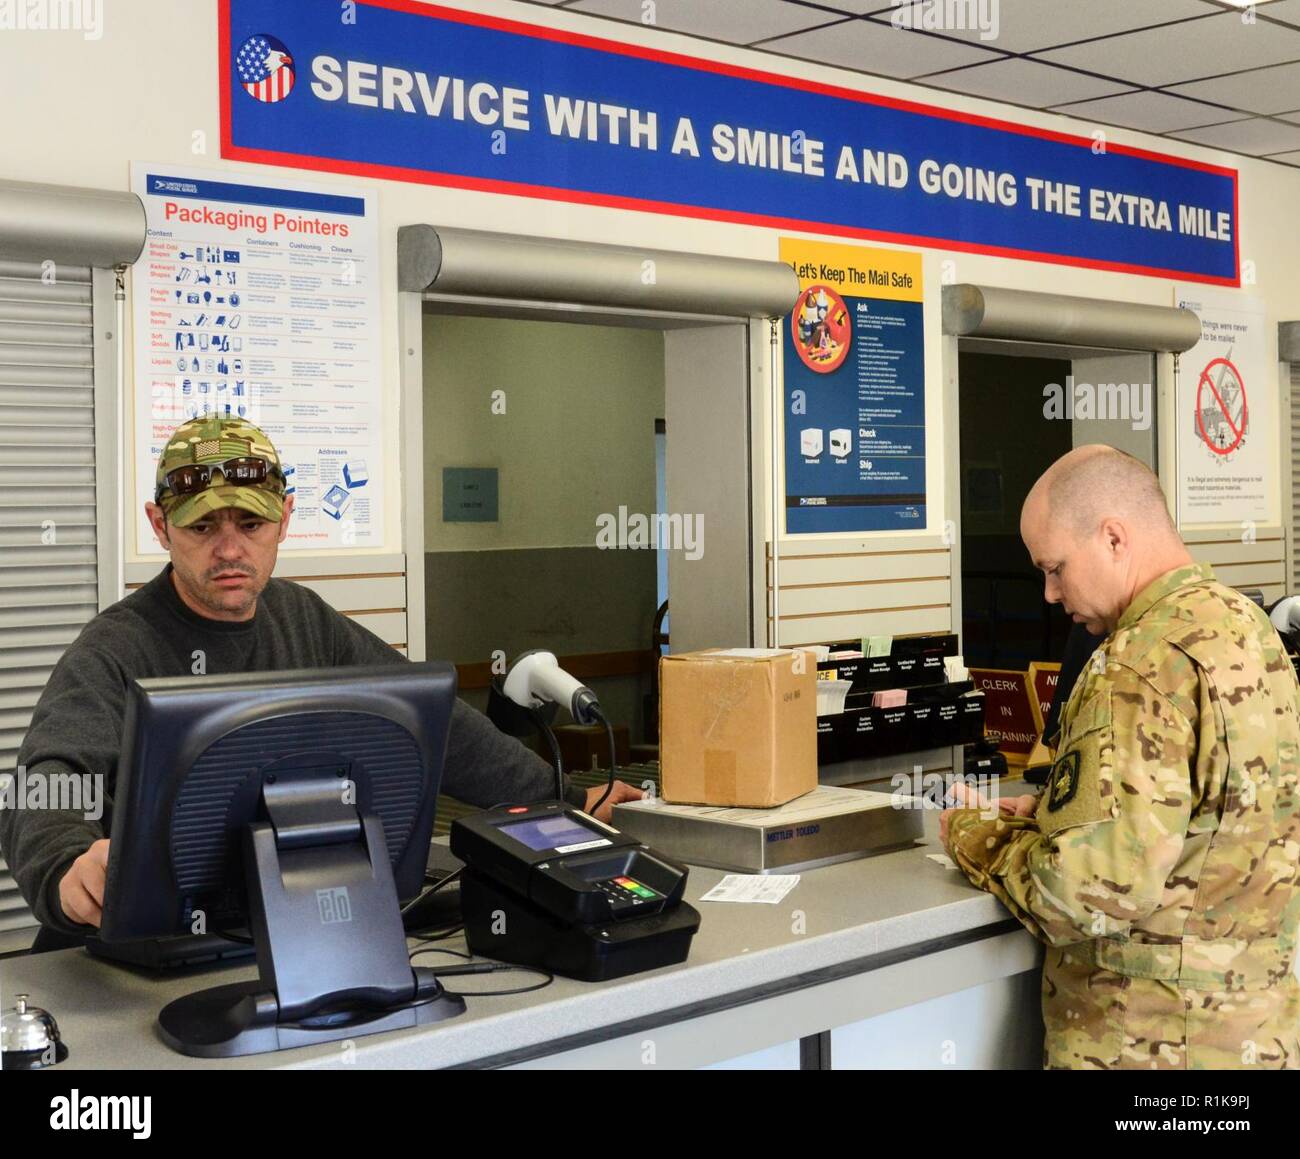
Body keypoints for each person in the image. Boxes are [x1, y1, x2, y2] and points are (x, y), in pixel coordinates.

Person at [0, 415, 641, 951]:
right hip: (127, 960)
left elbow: (431, 728)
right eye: (201, 527)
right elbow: (47, 780)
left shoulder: (306, 622)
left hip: (277, 938)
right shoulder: (115, 649)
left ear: (284, 519)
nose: (228, 550)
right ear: (159, 524)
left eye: (249, 525)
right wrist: (64, 867)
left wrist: (561, 800)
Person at [940, 445, 1300, 1069]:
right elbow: (1214, 818)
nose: (1050, 593)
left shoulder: (1136, 664)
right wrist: (1054, 815)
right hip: (1255, 1035)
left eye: (1055, 568)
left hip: (1149, 1040)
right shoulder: (1248, 626)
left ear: (1112, 538)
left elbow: (1085, 895)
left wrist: (977, 837)